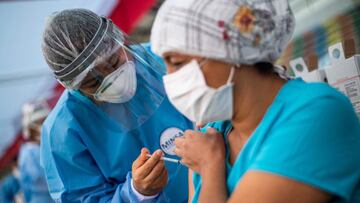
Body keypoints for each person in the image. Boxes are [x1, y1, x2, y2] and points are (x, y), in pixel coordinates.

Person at [150, 0, 360, 203]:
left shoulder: (317, 113)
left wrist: (210, 167)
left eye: (177, 62)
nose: (170, 78)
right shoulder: (211, 136)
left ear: (230, 51)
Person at [41, 9, 192, 202]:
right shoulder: (63, 133)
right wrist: (137, 193)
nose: (113, 81)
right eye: (93, 83)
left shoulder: (163, 58)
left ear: (118, 40)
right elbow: (81, 197)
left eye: (114, 63)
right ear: (72, 86)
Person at [19, 101, 54, 203]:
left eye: (45, 120)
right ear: (30, 128)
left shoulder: (43, 147)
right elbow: (47, 179)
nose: (44, 124)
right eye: (40, 122)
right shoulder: (29, 153)